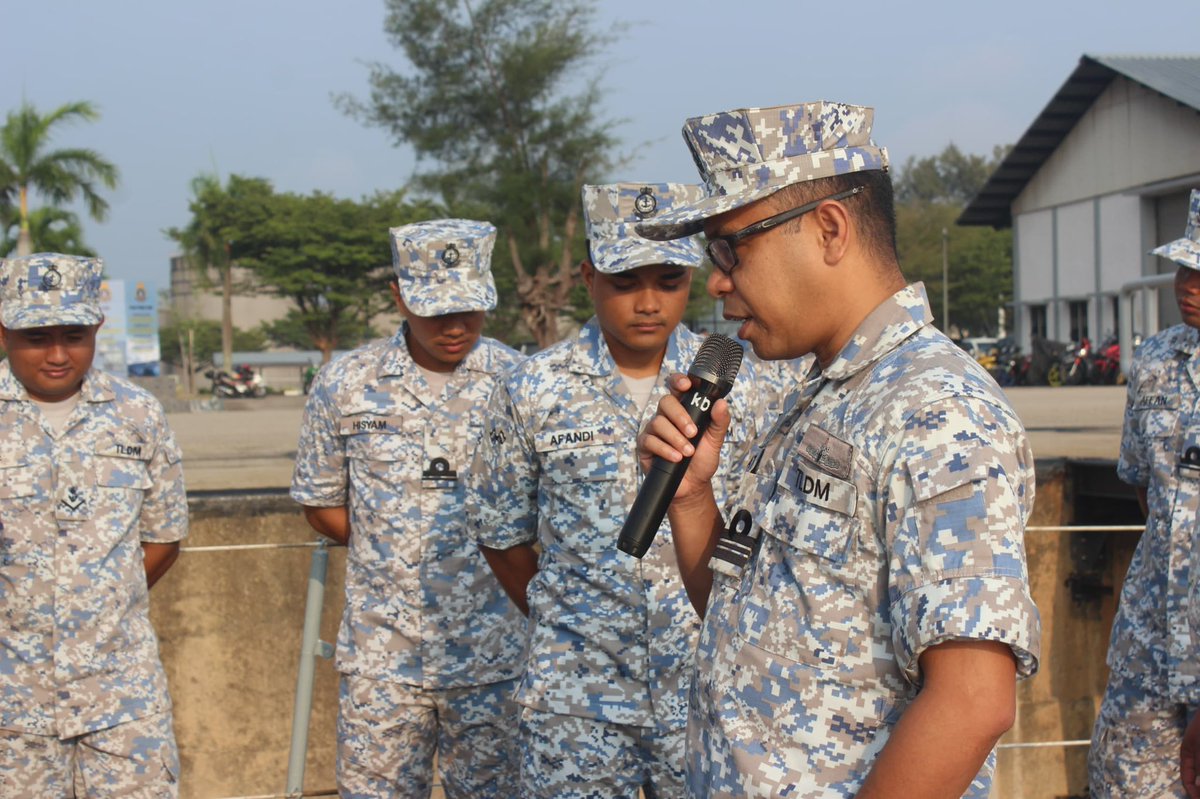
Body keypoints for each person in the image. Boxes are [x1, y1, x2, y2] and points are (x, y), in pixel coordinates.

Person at [634, 101, 1042, 798]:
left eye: (731, 249)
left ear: (829, 229)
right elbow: (741, 617)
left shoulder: (935, 410)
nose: (717, 280)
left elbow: (973, 700)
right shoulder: (821, 395)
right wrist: (693, 497)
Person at [466, 182, 763, 799]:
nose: (649, 303)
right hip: (576, 700)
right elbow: (501, 534)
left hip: (704, 688)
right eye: (625, 282)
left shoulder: (747, 383)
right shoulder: (531, 387)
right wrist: (571, 618)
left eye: (669, 281)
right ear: (588, 278)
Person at [290, 219, 525, 798]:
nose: (455, 326)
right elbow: (321, 503)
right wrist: (389, 544)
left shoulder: (520, 381)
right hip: (383, 661)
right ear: (399, 297)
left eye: (468, 309)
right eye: (435, 310)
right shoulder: (345, 383)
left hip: (496, 657)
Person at [0, 253, 188, 796]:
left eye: (74, 336)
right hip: (12, 703)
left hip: (123, 698)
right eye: (37, 337)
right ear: (4, 332)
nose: (58, 354)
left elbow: (163, 536)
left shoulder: (138, 414)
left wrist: (98, 602)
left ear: (98, 328)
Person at [1091, 189, 1200, 799]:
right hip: (1151, 631)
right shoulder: (1156, 359)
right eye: (1184, 269)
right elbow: (1142, 487)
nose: (1188, 286)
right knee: (1122, 782)